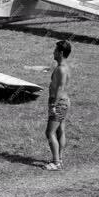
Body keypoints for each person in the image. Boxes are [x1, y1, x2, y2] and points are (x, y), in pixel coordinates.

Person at [44, 40, 72, 171]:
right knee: (60, 130)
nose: (53, 52)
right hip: (64, 102)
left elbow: (60, 89)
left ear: (61, 53)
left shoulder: (61, 69)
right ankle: (59, 159)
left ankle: (56, 162)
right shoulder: (65, 67)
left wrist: (53, 105)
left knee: (50, 132)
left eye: (55, 50)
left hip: (59, 103)